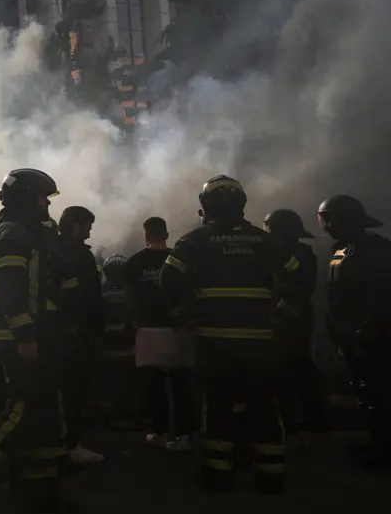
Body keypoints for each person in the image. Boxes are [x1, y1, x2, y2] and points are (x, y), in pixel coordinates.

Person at [161, 175, 299, 494]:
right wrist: (283, 312)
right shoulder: (264, 241)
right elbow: (297, 275)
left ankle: (217, 472)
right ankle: (271, 473)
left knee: (217, 404)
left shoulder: (195, 240)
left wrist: (182, 315)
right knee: (264, 404)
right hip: (260, 340)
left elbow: (168, 278)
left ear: (206, 205)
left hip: (214, 338)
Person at [0, 169, 68, 512]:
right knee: (23, 408)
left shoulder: (30, 232)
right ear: (25, 197)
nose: (46, 204)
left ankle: (41, 484)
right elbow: (10, 288)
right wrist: (25, 334)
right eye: (42, 197)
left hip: (38, 335)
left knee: (44, 412)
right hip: (20, 337)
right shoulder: (13, 233)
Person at [318, 194, 391, 468]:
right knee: (364, 388)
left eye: (329, 219)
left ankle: (387, 447)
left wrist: (369, 326)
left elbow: (382, 293)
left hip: (376, 333)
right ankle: (378, 440)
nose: (326, 226)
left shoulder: (375, 249)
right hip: (351, 331)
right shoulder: (342, 250)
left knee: (381, 389)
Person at [125, 217, 194, 452]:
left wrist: (131, 324)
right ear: (166, 233)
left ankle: (159, 432)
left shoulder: (135, 261)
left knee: (153, 386)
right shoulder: (179, 258)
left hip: (149, 330)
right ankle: (184, 434)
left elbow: (130, 297)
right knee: (182, 385)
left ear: (146, 236)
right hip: (178, 330)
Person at [264, 209, 327, 437]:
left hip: (288, 318)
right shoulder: (302, 252)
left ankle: (290, 421)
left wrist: (278, 305)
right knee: (299, 368)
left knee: (287, 370)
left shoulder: (294, 254)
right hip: (294, 317)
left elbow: (298, 288)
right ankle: (311, 420)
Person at [55, 205, 105, 464]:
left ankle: (61, 442)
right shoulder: (78, 254)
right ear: (75, 225)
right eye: (87, 227)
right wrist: (92, 329)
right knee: (74, 391)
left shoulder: (52, 248)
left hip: (59, 332)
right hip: (75, 335)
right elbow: (88, 297)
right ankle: (71, 445)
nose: (88, 233)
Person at [97, 255, 136, 429]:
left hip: (107, 346)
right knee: (128, 382)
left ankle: (110, 418)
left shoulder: (99, 291)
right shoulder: (132, 291)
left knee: (109, 383)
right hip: (129, 346)